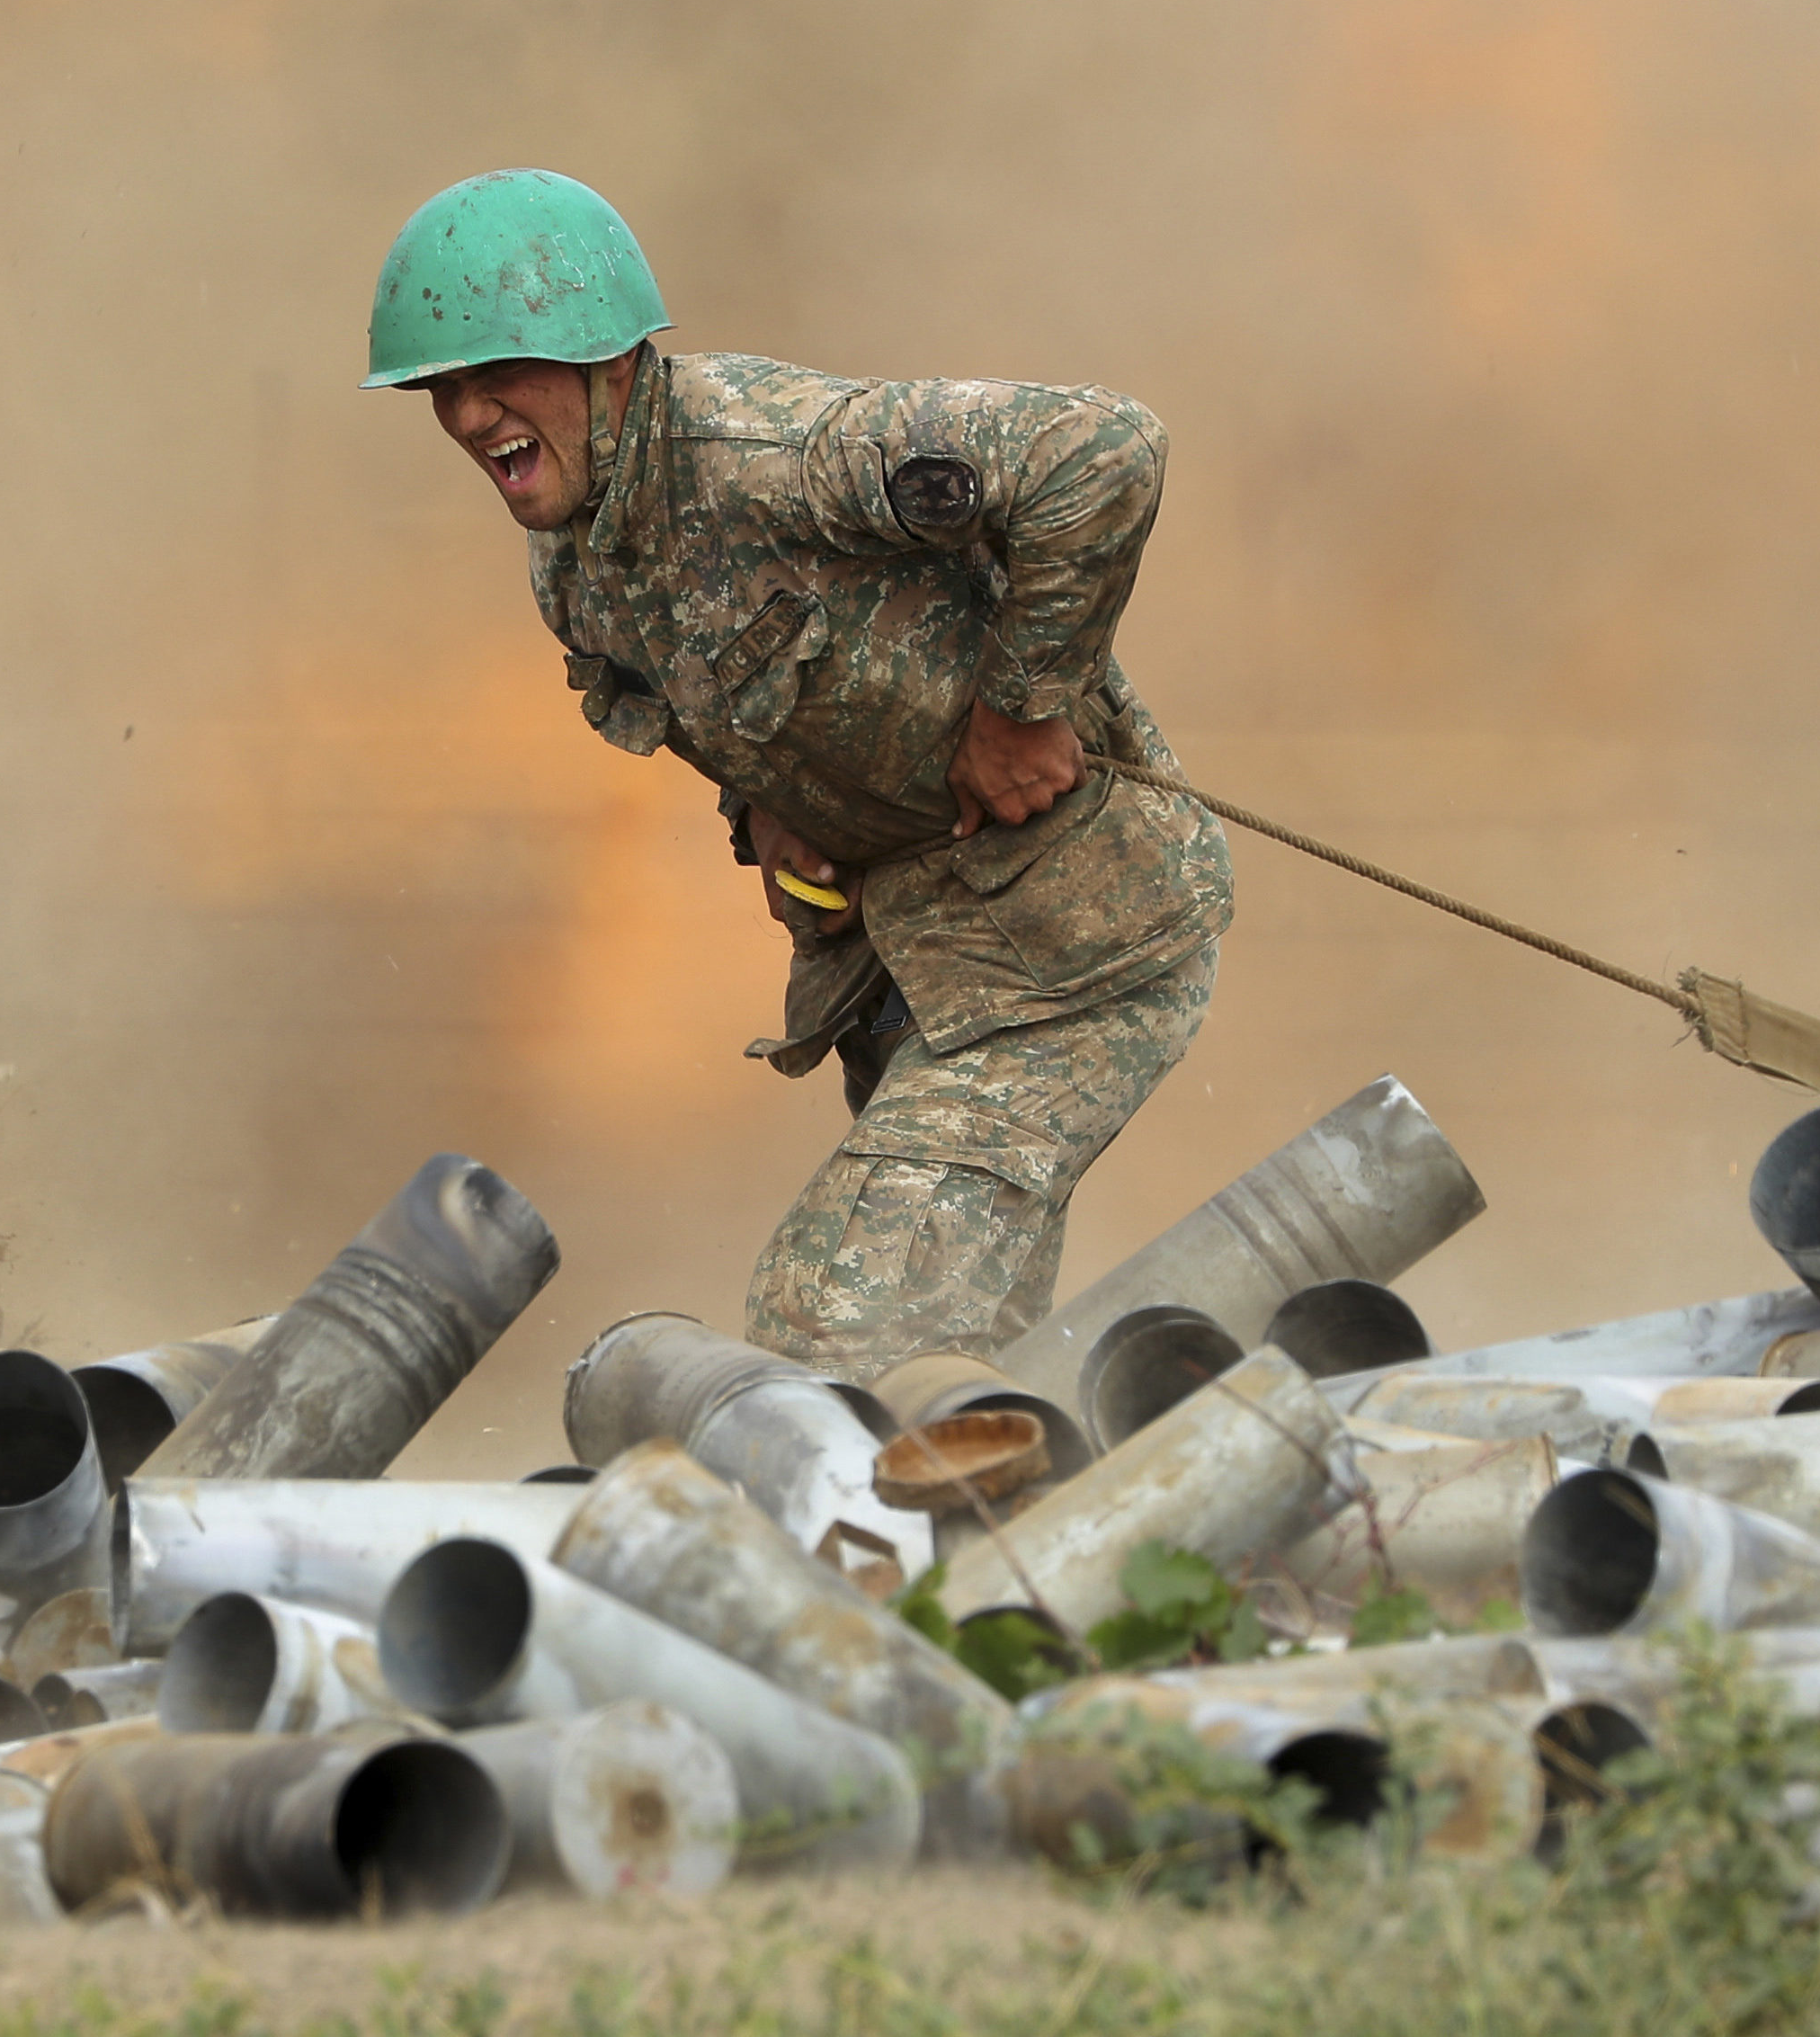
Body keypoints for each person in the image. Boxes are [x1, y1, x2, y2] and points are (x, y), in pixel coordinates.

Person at [366, 167, 1231, 1372]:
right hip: (912, 971)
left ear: (608, 361)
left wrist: (1022, 707)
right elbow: (701, 695)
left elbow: (1103, 450)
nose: (466, 416)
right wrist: (763, 810)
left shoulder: (783, 457)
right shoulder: (577, 567)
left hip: (1071, 947)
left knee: (841, 1320)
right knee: (950, 1347)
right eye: (440, 389)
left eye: (496, 374)